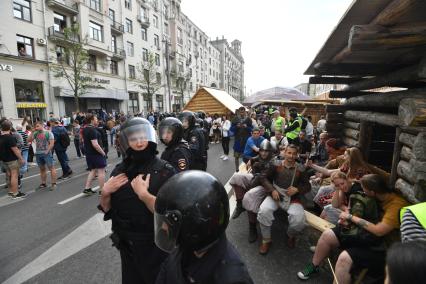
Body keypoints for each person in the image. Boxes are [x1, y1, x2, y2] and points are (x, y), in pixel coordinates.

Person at [99, 117, 176, 284]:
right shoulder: (119, 170)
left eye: (142, 137)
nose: (139, 142)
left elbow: (172, 214)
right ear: (126, 141)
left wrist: (144, 195)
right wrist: (105, 192)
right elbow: (107, 209)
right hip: (127, 245)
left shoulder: (164, 170)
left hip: (155, 246)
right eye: (133, 139)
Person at [297, 174, 409, 283]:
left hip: (380, 247)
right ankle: (314, 266)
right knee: (327, 235)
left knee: (344, 259)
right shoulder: (377, 195)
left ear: (372, 192)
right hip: (363, 235)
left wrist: (350, 217)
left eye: (364, 190)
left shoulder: (395, 206)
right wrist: (348, 218)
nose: (362, 192)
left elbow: (379, 231)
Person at [154, 170, 254, 284]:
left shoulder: (232, 278)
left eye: (169, 222)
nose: (164, 227)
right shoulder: (183, 248)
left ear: (193, 226)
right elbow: (164, 273)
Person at [257, 144, 311, 253]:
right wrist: (272, 190)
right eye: (289, 153)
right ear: (285, 152)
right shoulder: (276, 164)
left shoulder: (301, 168)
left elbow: (307, 186)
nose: (291, 156)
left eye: (294, 154)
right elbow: (263, 177)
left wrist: (298, 189)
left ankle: (290, 235)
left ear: (297, 155)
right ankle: (266, 240)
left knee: (299, 220)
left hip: (293, 198)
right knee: (264, 211)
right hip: (276, 195)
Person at [0, 120, 26, 198]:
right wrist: (21, 158)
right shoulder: (10, 137)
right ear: (10, 127)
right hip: (12, 159)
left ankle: (11, 191)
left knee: (8, 175)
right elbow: (15, 150)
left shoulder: (1, 137)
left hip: (4, 160)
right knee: (14, 176)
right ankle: (15, 193)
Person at [28, 121, 57, 190]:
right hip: (38, 154)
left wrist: (47, 151)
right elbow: (28, 140)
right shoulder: (35, 133)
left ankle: (54, 183)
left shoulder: (48, 132)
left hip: (46, 153)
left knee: (51, 168)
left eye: (37, 126)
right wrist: (32, 132)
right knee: (42, 169)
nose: (36, 128)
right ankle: (43, 183)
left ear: (42, 125)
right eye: (35, 126)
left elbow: (52, 143)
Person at [82, 114, 107, 195]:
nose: (97, 120)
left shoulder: (85, 129)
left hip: (89, 153)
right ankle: (102, 190)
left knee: (92, 170)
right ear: (92, 120)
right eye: (96, 119)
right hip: (96, 154)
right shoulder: (92, 130)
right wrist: (103, 153)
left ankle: (87, 188)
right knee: (101, 171)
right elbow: (95, 144)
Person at [230, 107, 252, 172]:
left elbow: (252, 129)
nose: (242, 113)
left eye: (243, 112)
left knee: (246, 156)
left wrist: (247, 127)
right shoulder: (235, 119)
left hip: (246, 140)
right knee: (236, 156)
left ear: (245, 112)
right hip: (238, 140)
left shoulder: (248, 119)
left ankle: (247, 169)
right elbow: (231, 129)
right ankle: (237, 169)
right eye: (241, 112)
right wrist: (236, 126)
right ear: (239, 112)